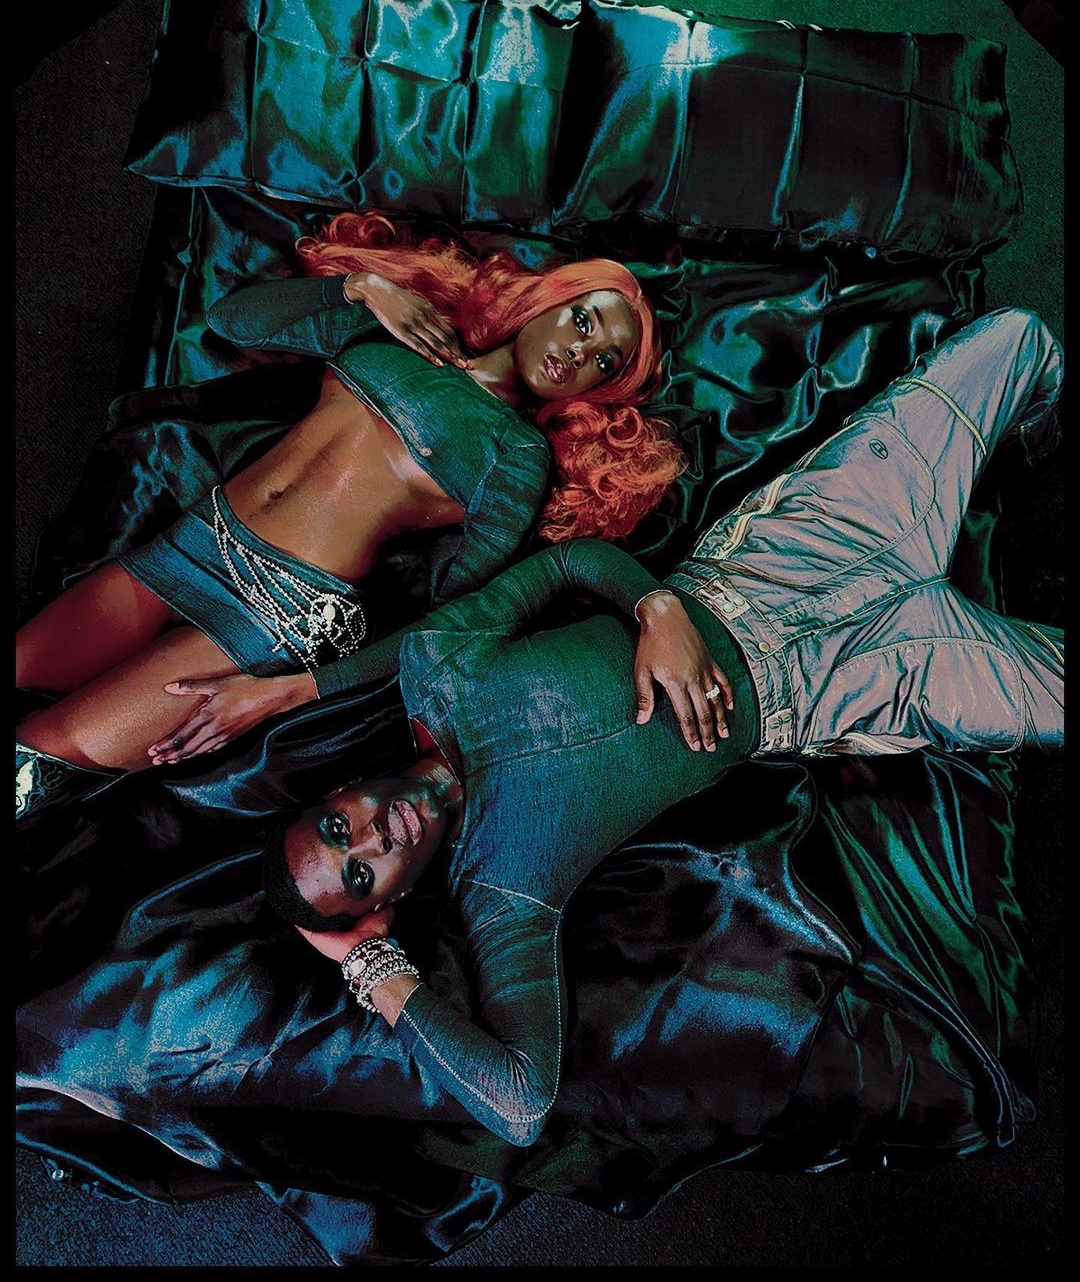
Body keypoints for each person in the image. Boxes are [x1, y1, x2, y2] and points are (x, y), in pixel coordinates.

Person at [264, 306, 1063, 1146]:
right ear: (390, 900)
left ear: (341, 790)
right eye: (362, 875)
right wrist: (373, 968)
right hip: (852, 684)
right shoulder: (503, 893)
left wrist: (656, 607)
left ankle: (1032, 443)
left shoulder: (439, 672)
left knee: (1020, 335)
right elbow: (521, 1104)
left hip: (776, 558)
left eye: (337, 829)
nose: (371, 838)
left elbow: (565, 563)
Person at [15, 212, 685, 825]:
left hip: (278, 617)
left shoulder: (517, 458)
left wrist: (298, 690)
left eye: (605, 363)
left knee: (34, 761)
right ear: (548, 299)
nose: (581, 353)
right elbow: (231, 320)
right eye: (583, 321)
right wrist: (359, 289)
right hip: (188, 544)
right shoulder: (401, 326)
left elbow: (444, 624)